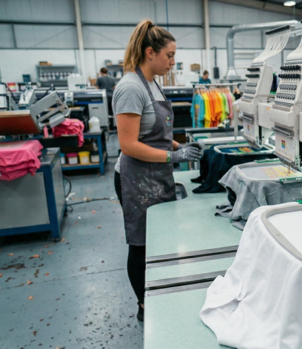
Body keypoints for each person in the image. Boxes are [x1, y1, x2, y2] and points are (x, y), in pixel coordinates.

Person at [112, 19, 202, 322]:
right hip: (135, 178)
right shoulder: (130, 88)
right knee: (140, 243)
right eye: (170, 55)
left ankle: (159, 290)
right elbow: (129, 145)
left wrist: (180, 147)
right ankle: (143, 306)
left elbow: (154, 134)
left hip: (154, 174)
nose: (173, 62)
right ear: (150, 52)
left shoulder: (152, 82)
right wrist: (172, 157)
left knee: (159, 239)